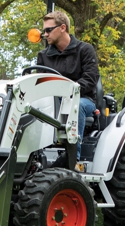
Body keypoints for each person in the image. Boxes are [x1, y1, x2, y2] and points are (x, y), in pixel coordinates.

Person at [36, 10, 99, 163]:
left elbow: (91, 79)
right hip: (53, 101)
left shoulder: (84, 50)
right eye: (44, 30)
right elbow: (40, 82)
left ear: (62, 28)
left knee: (74, 105)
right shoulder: (43, 56)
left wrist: (69, 92)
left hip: (83, 99)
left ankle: (72, 160)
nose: (45, 34)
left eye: (48, 30)